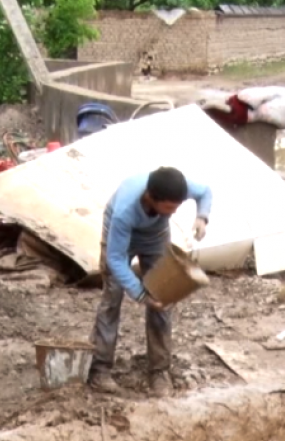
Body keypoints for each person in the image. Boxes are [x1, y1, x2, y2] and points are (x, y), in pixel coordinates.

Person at [88, 166, 213, 397]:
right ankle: (99, 370)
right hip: (120, 236)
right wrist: (141, 293)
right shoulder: (124, 211)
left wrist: (202, 218)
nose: (172, 214)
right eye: (168, 208)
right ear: (150, 197)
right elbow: (116, 259)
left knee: (163, 299)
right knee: (111, 300)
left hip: (154, 238)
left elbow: (205, 191)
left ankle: (159, 371)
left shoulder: (177, 188)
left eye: (176, 208)